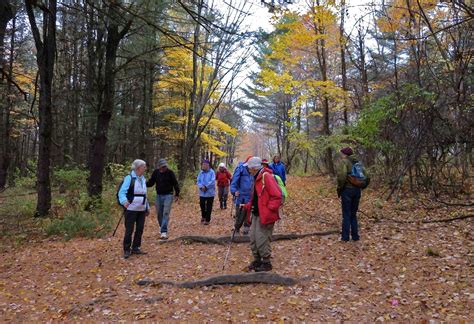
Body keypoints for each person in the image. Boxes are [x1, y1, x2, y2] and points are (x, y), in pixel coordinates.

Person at [244, 157, 282, 272]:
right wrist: (247, 205)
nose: (248, 170)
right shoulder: (256, 178)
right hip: (255, 213)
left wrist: (268, 208)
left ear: (254, 168)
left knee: (262, 239)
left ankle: (266, 263)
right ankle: (257, 260)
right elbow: (256, 197)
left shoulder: (266, 177)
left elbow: (277, 196)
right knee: (253, 238)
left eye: (249, 168)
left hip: (265, 215)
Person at [336, 147, 369, 242]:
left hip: (347, 190)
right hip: (357, 191)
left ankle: (345, 237)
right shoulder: (358, 163)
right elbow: (367, 177)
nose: (341, 155)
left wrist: (340, 188)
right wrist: (362, 186)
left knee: (346, 214)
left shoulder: (344, 162)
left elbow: (341, 177)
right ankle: (355, 237)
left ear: (345, 154)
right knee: (353, 214)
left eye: (341, 153)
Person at [118, 159, 150, 259]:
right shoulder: (129, 178)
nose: (145, 168)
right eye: (144, 166)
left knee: (140, 229)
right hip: (130, 208)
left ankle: (136, 247)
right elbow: (122, 192)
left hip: (141, 208)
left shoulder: (143, 179)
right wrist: (124, 202)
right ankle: (127, 249)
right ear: (138, 168)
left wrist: (147, 207)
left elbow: (145, 194)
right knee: (129, 229)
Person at [146, 158, 180, 240]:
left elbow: (175, 183)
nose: (164, 168)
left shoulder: (170, 173)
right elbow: (151, 183)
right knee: (159, 213)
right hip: (159, 195)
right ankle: (162, 227)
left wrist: (177, 194)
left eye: (165, 166)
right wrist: (142, 183)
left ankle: (164, 231)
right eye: (162, 166)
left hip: (168, 195)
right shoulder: (156, 173)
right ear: (159, 167)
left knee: (166, 212)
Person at [230, 156, 253, 235]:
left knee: (248, 212)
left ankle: (246, 228)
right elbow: (234, 181)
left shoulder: (255, 170)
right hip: (241, 195)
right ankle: (237, 228)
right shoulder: (240, 169)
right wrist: (234, 191)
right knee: (239, 213)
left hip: (250, 195)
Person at [197, 160, 216, 225]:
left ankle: (207, 219)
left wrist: (206, 186)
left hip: (210, 193)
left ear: (208, 165)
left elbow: (212, 181)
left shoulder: (212, 172)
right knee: (202, 205)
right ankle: (203, 216)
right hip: (202, 192)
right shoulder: (201, 172)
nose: (203, 166)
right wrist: (201, 187)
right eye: (203, 164)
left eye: (205, 164)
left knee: (209, 206)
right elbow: (198, 181)